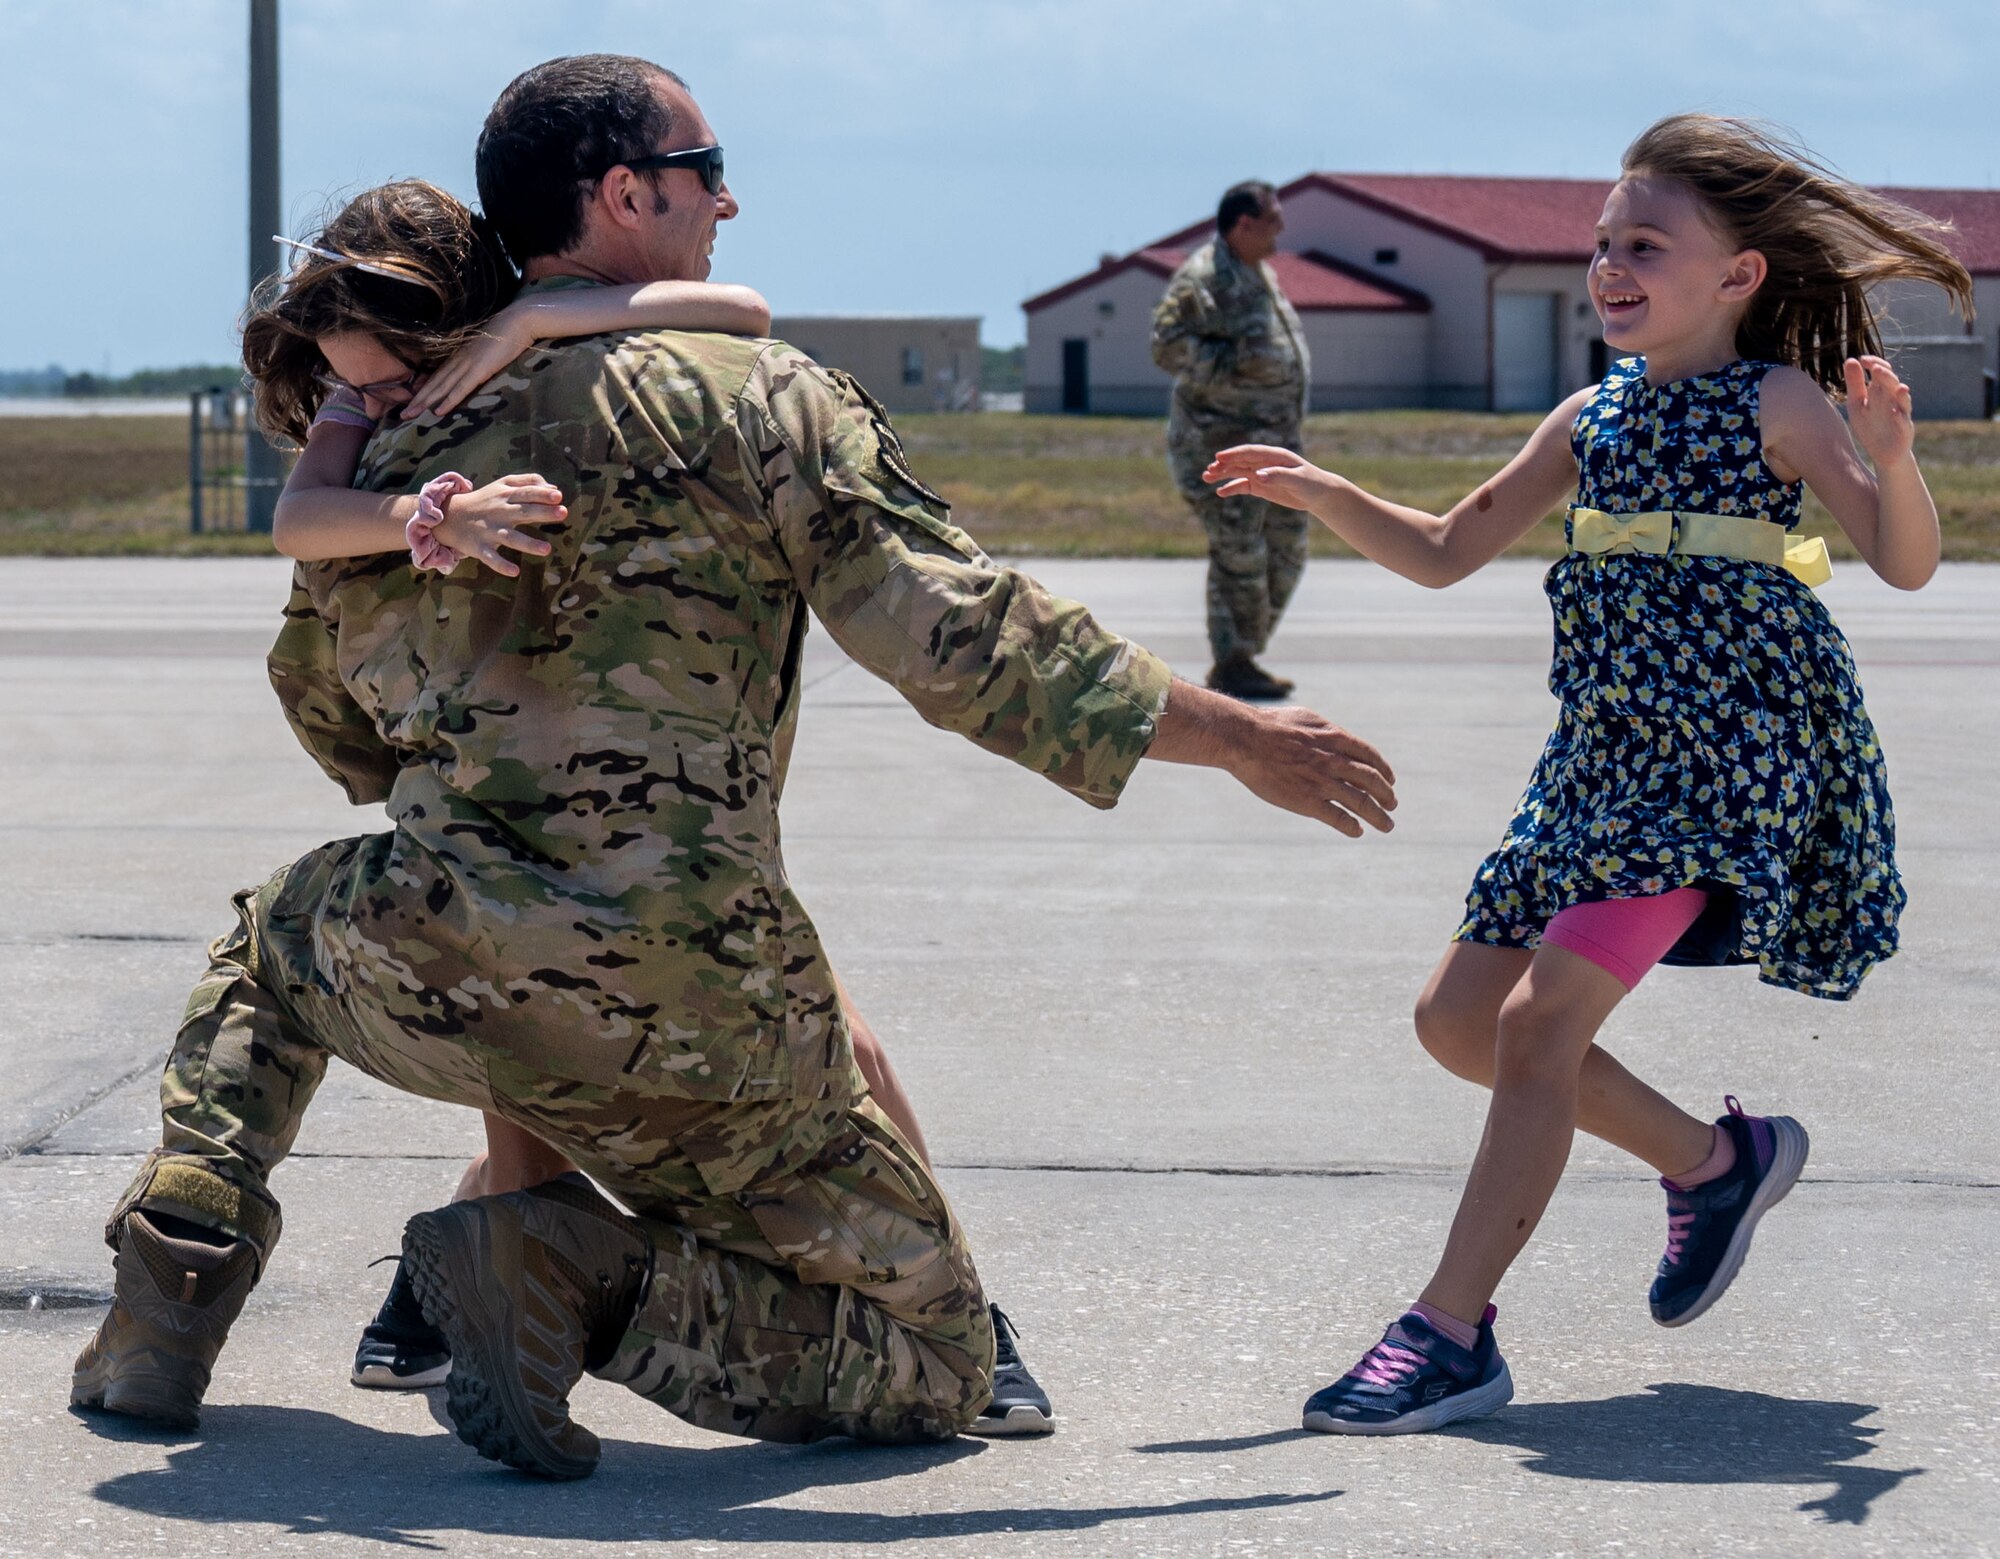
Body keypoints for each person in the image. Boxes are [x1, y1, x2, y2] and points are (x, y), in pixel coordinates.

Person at [71, 54, 1398, 1475]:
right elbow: (964, 642)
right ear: (628, 192)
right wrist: (1239, 731)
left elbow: (325, 713)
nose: (731, 199)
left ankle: (172, 1296)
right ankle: (588, 1283)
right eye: (710, 171)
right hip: (712, 1029)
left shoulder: (393, 461)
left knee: (269, 953)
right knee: (937, 1355)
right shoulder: (762, 400)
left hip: (432, 954)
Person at [241, 179, 1056, 1433]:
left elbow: (742, 305)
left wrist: (534, 329)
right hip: (532, 785)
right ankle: (503, 1271)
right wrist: (409, 507)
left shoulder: (530, 338)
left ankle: (450, 1276)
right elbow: (301, 517)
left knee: (775, 1042)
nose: (383, 405)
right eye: (359, 388)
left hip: (674, 791)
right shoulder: (382, 423)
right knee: (549, 1038)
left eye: (395, 379)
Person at [1206, 113, 1971, 1435]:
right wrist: (1325, 491)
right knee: (1460, 1021)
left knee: (1535, 1026)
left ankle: (1449, 1330)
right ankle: (1717, 1163)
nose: (1611, 267)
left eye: (1646, 246)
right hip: (1597, 761)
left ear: (1738, 276)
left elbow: (1904, 562)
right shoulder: (1590, 414)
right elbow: (1449, 547)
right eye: (1603, 244)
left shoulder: (1774, 403)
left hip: (1727, 757)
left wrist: (1894, 464)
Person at [1150, 180, 1311, 702]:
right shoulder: (1207, 278)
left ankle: (1244, 647)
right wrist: (1238, 364)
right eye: (1272, 220)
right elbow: (1167, 347)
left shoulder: (1257, 273)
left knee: (1288, 544)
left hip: (1273, 444)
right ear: (1243, 224)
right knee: (1238, 551)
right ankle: (1233, 660)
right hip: (1219, 444)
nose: (1281, 230)